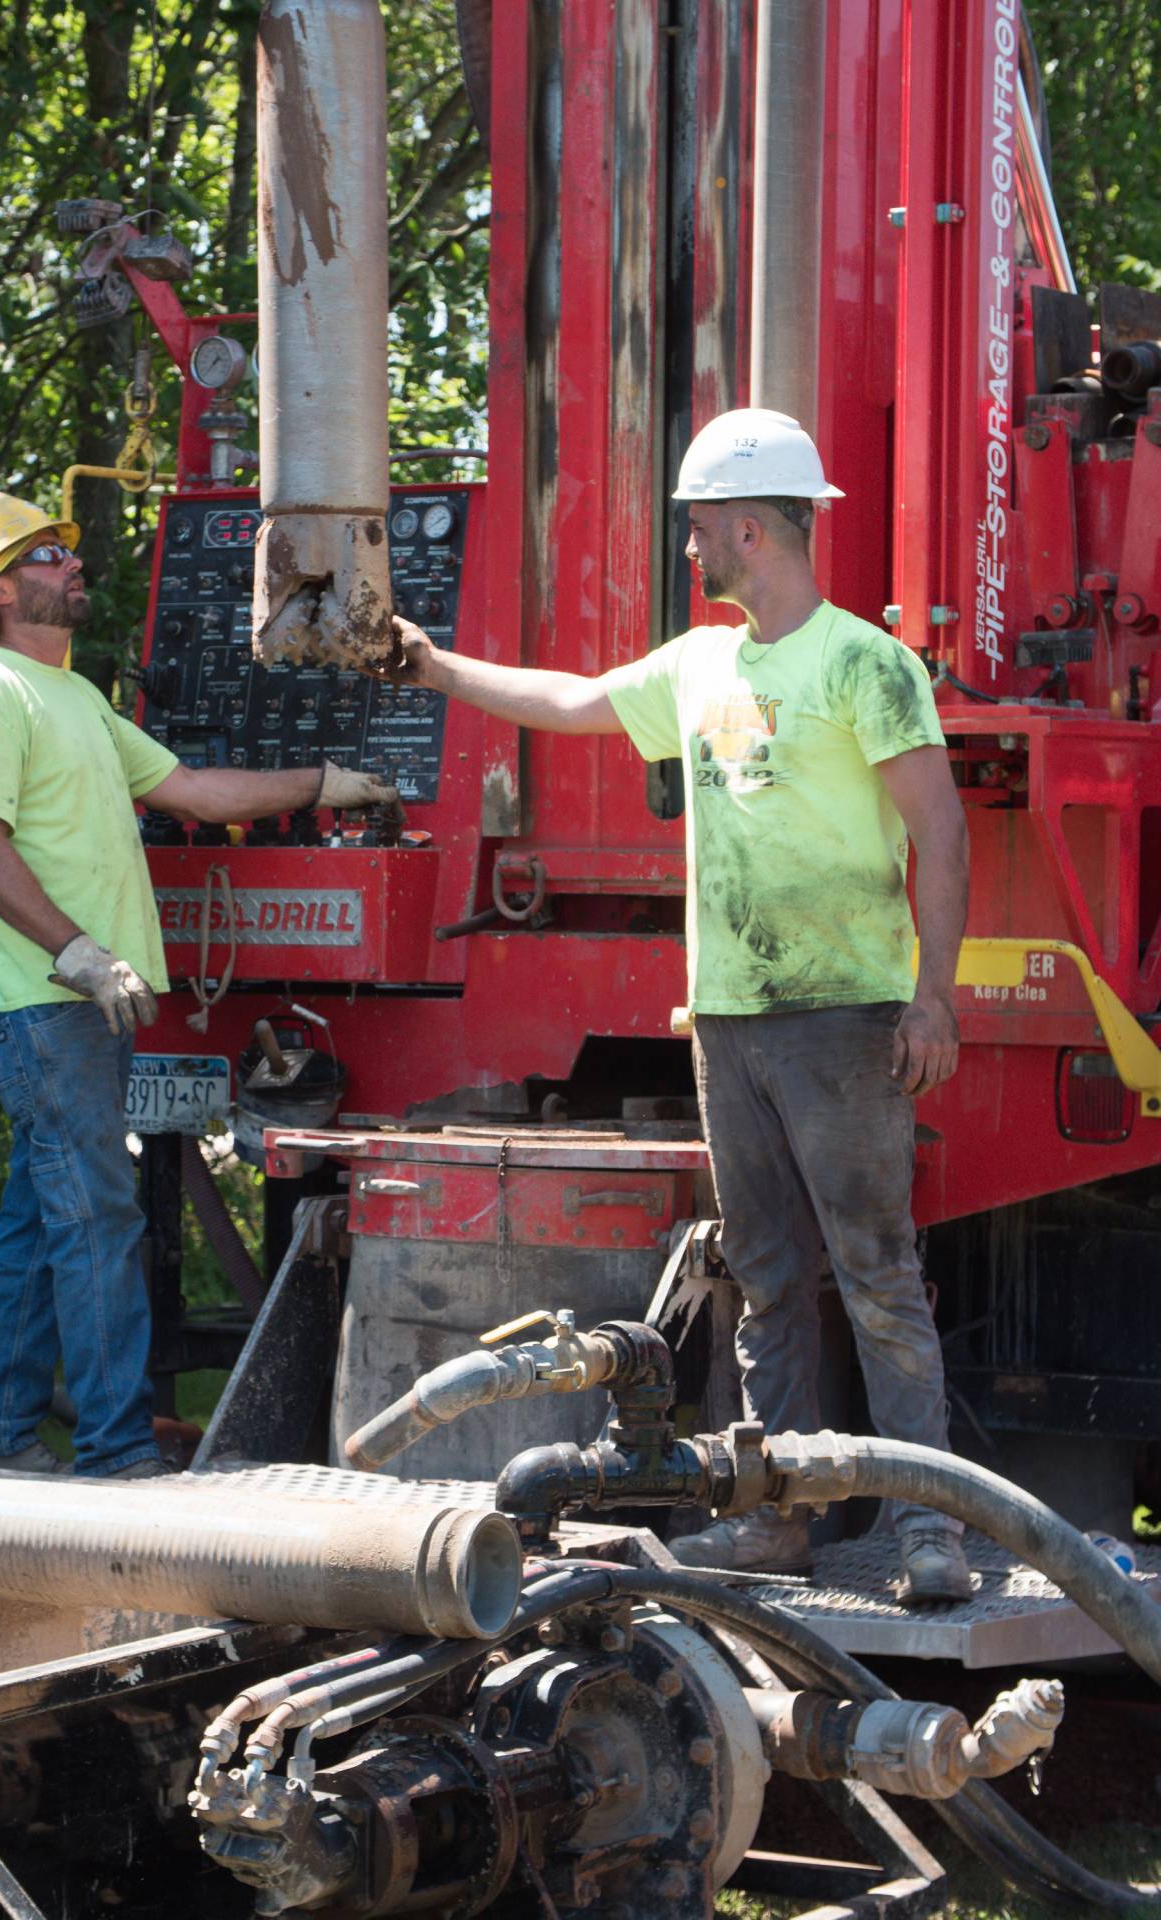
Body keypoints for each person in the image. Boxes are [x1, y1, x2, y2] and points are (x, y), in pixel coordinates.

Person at [387, 410, 972, 1604]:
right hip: (733, 1020)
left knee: (875, 1273)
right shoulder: (703, 663)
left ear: (748, 528)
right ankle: (778, 1521)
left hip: (847, 1016)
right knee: (765, 1275)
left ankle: (931, 1531)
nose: (690, 545)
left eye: (699, 526)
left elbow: (940, 833)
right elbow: (570, 702)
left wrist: (931, 1001)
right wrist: (436, 668)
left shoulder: (866, 664)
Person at [0, 492, 397, 1478]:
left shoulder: (79, 700)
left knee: (36, 1230)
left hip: (88, 1012)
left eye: (67, 547)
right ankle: (113, 1449)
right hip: (54, 1005)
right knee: (99, 1225)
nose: (74, 561)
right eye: (49, 554)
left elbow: (188, 789)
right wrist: (77, 952)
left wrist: (318, 782)